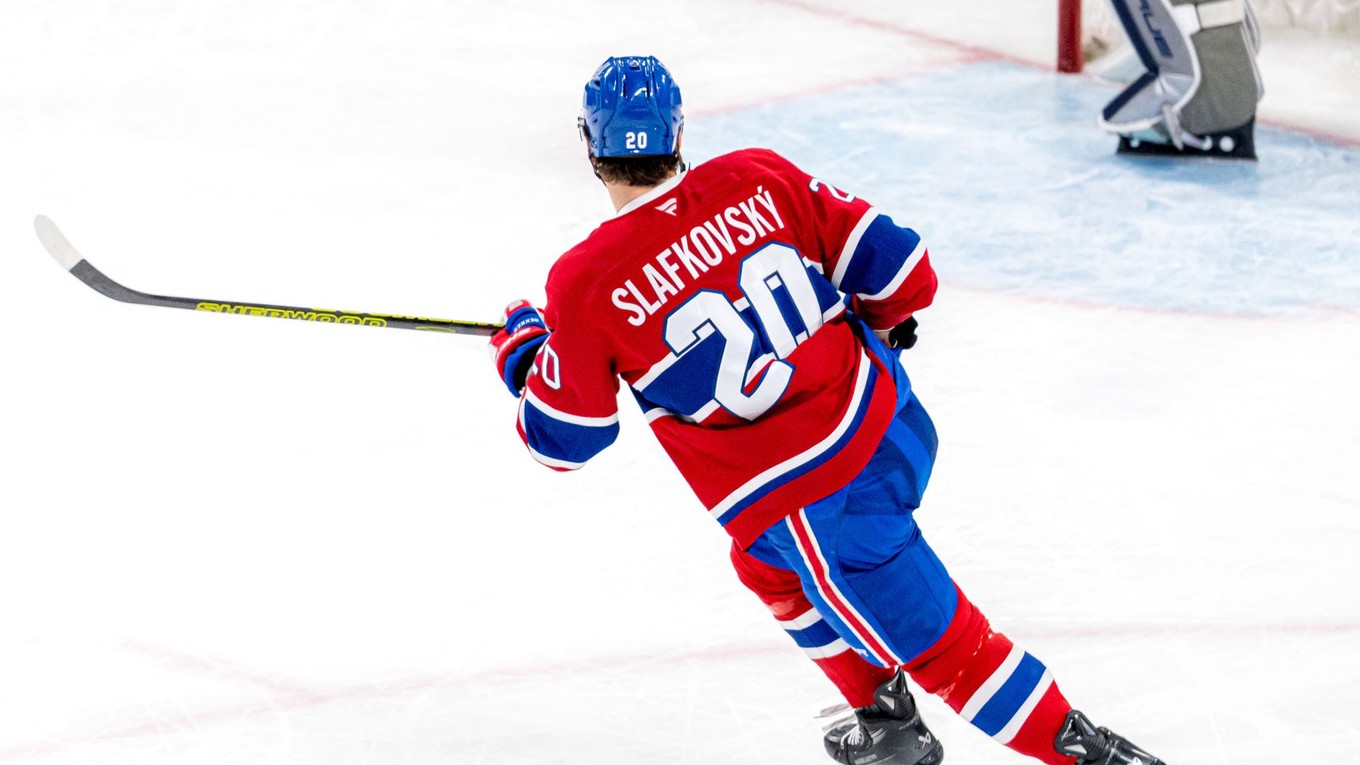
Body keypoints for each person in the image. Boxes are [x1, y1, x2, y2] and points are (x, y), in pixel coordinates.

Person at [488, 55, 1167, 765]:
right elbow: (905, 271)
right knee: (763, 564)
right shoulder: (757, 175)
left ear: (588, 145)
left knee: (946, 648)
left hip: (817, 499)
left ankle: (1090, 754)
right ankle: (885, 720)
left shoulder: (586, 281)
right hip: (892, 424)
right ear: (679, 129)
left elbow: (566, 438)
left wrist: (532, 358)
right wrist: (877, 322)